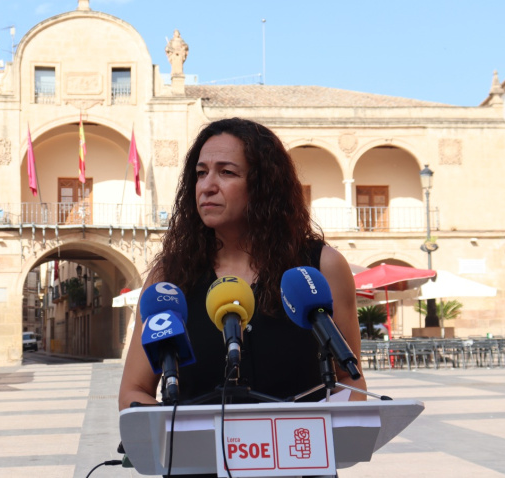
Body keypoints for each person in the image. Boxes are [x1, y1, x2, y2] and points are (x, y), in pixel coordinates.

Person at [119, 118, 367, 413]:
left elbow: (350, 382)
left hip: (297, 454)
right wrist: (183, 433)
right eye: (200, 173)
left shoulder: (322, 268)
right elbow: (134, 391)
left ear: (264, 185)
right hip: (200, 458)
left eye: (226, 172)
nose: (207, 186)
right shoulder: (169, 280)